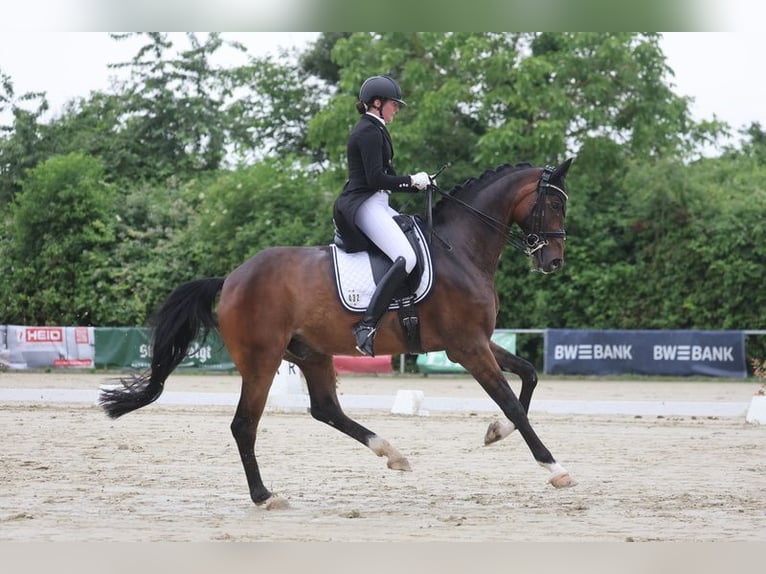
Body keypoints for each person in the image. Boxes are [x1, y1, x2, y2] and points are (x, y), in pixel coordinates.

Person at [332, 75, 432, 357]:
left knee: (417, 233)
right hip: (363, 204)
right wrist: (411, 181)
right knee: (407, 258)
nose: (396, 110)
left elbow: (383, 179)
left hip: (377, 202)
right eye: (393, 104)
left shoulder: (376, 129)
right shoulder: (367, 132)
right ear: (377, 103)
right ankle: (367, 325)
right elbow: (376, 178)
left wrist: (420, 185)